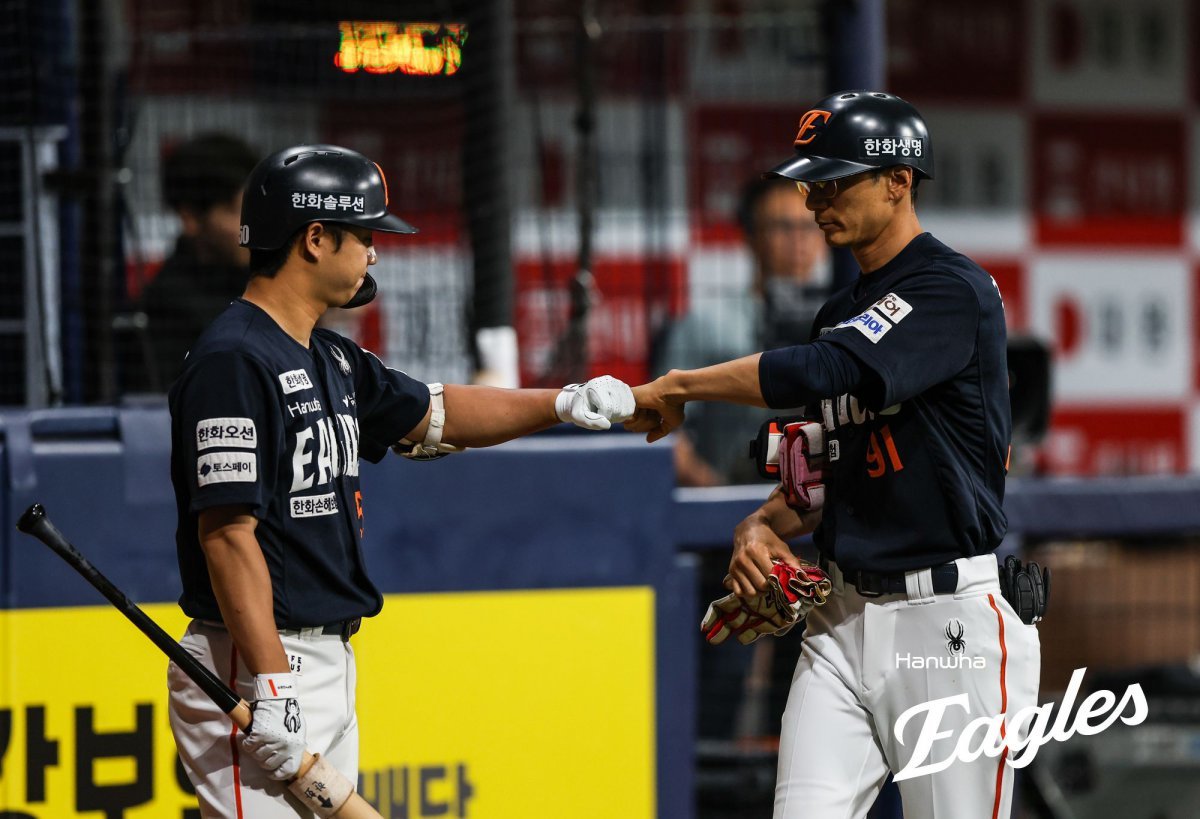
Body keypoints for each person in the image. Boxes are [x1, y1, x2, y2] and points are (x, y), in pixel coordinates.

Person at [165, 144, 635, 817]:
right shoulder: (233, 359)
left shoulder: (329, 354)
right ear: (315, 238)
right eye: (364, 235)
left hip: (321, 658)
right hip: (252, 660)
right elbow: (227, 536)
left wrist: (563, 402)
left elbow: (437, 412)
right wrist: (271, 683)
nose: (375, 253)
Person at [629, 91, 1041, 818]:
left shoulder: (951, 288)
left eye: (836, 181)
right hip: (839, 621)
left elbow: (831, 370)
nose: (817, 200)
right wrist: (761, 524)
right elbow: (819, 465)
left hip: (944, 624)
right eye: (811, 183)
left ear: (898, 181)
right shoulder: (840, 313)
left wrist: (680, 385)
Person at [655, 177, 827, 487]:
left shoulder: (841, 322)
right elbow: (663, 426)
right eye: (783, 227)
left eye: (809, 226)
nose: (798, 240)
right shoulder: (706, 323)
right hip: (728, 495)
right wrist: (718, 493)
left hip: (818, 502)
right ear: (751, 235)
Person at [138, 133, 260, 388]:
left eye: (257, 208)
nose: (254, 225)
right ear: (190, 218)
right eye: (236, 211)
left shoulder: (266, 279)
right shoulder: (168, 307)